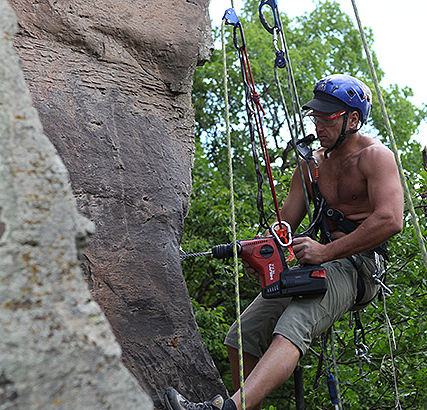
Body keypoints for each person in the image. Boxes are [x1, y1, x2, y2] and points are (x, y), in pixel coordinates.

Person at [165, 74, 404, 410]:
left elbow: (390, 219)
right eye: (315, 117)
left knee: (293, 326)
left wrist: (325, 251)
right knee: (241, 336)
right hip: (319, 263)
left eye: (327, 118)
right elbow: (282, 229)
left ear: (352, 119)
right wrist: (261, 254)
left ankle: (227, 409)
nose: (318, 125)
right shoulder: (311, 167)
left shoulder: (375, 157)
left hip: (359, 266)